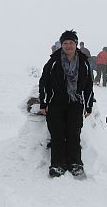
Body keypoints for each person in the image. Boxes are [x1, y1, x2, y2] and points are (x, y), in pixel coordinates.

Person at [39, 30, 94, 178]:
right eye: (65, 43)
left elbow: (89, 85)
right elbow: (44, 82)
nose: (68, 45)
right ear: (61, 45)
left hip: (75, 102)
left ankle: (75, 163)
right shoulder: (54, 61)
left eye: (71, 43)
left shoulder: (84, 62)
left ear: (76, 44)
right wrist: (44, 103)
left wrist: (88, 106)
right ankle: (57, 164)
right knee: (57, 134)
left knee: (73, 134)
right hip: (56, 102)